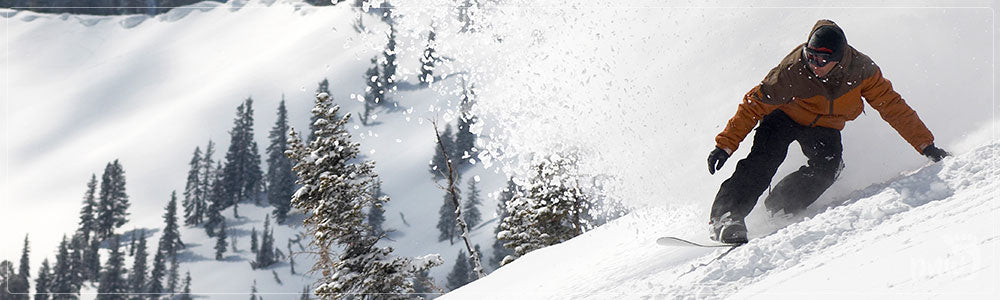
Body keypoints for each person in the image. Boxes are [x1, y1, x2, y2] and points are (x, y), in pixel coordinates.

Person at [705, 20, 949, 244]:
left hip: (825, 125)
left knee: (827, 167)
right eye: (811, 56)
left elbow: (894, 107)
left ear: (839, 59)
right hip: (785, 116)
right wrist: (725, 145)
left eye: (822, 60)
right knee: (764, 161)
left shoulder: (861, 71)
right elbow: (753, 105)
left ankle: (780, 205)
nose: (814, 65)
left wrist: (925, 145)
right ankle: (726, 217)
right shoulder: (792, 71)